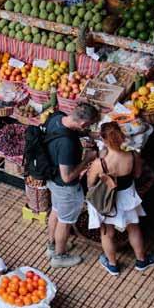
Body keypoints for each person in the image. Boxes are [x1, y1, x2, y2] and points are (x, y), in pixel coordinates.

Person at [86, 122, 154, 275]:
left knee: (107, 233)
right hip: (127, 197)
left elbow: (90, 183)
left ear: (104, 141)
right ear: (121, 137)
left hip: (107, 202)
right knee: (134, 228)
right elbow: (137, 175)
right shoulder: (133, 155)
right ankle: (141, 261)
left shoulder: (100, 163)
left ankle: (112, 265)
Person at [46, 104, 99, 268]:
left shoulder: (56, 118)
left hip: (51, 178)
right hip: (64, 187)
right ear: (83, 123)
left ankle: (51, 246)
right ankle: (59, 257)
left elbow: (74, 130)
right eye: (88, 125)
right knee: (65, 221)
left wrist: (89, 134)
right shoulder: (67, 144)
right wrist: (87, 159)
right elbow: (67, 177)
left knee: (55, 210)